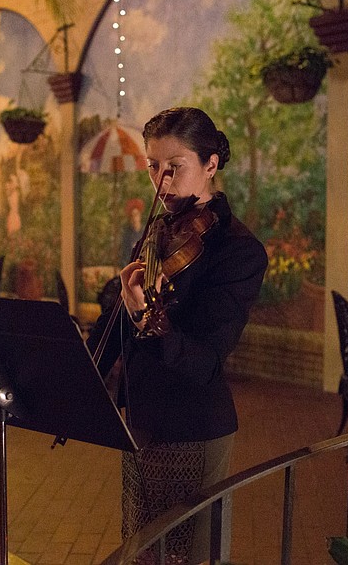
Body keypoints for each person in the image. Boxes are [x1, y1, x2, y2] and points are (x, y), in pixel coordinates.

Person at [86, 107, 267, 564]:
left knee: (184, 556)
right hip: (143, 422)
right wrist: (87, 374)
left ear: (210, 164)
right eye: (152, 165)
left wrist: (149, 315)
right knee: (144, 551)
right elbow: (121, 318)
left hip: (193, 428)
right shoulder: (159, 229)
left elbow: (205, 358)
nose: (161, 182)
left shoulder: (238, 250)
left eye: (174, 167)